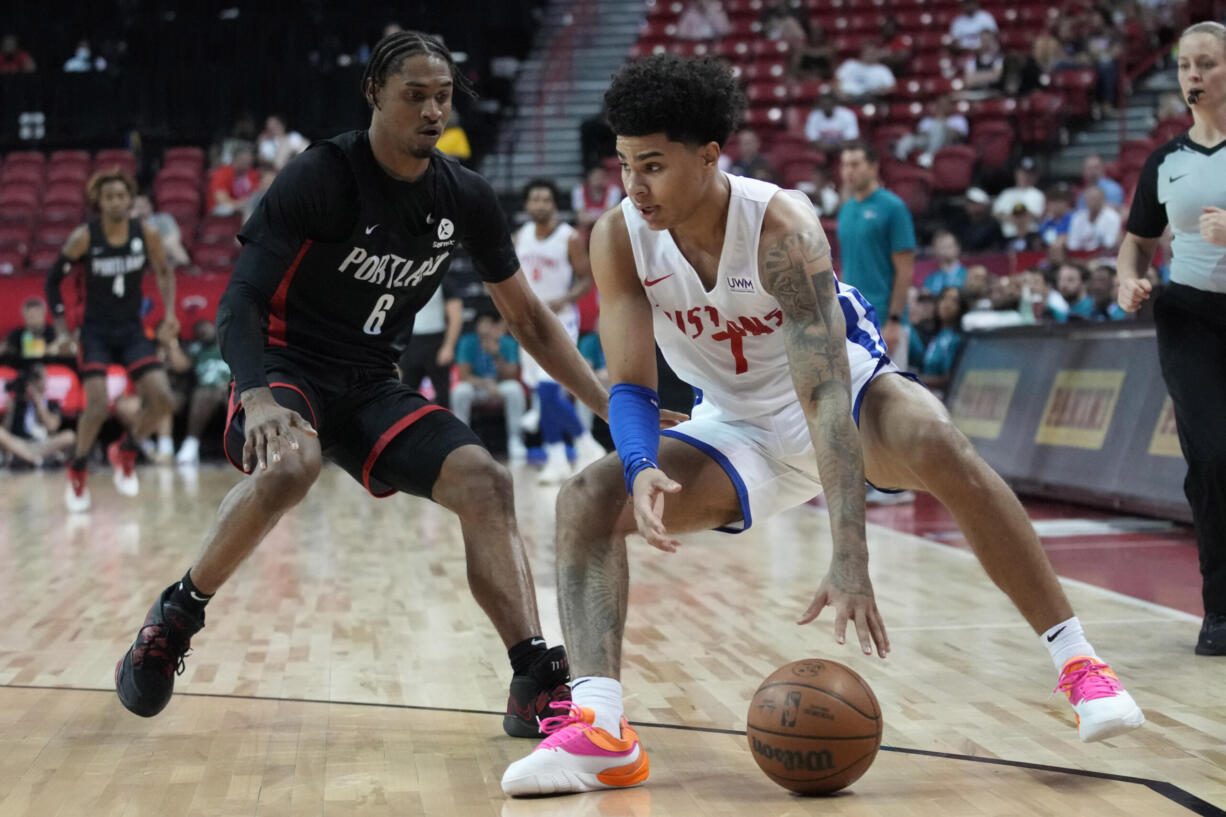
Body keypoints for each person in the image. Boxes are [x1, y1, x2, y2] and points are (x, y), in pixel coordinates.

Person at [501, 54, 1143, 797]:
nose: (633, 187)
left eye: (652, 165)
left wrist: (849, 553)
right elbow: (633, 387)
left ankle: (1080, 663)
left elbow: (827, 398)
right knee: (586, 499)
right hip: (735, 421)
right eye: (622, 165)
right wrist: (641, 463)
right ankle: (601, 730)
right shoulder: (618, 238)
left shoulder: (780, 225)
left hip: (847, 395)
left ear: (709, 157)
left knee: (939, 442)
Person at [110, 31, 658, 737]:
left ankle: (530, 676)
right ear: (374, 93)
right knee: (294, 463)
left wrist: (606, 401)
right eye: (415, 95)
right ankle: (176, 616)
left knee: (486, 480)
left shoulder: (464, 195)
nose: (434, 111)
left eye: (444, 96)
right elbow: (239, 298)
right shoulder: (323, 176)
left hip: (370, 381)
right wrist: (256, 395)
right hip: (284, 364)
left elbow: (526, 316)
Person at [1115, 21, 1226, 655]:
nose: (1192, 76)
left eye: (1206, 64)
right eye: (1185, 65)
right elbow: (1136, 244)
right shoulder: (1166, 161)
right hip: (1187, 317)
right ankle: (1220, 610)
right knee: (1211, 461)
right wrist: (1129, 281)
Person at [46, 169, 177, 512]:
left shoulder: (146, 234)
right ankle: (78, 468)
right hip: (95, 332)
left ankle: (127, 449)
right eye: (110, 197)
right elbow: (52, 281)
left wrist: (170, 315)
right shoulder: (84, 237)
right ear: (99, 202)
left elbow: (165, 272)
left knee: (163, 399)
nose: (117, 201)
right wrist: (62, 329)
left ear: (130, 199)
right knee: (99, 406)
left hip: (132, 330)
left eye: (122, 195)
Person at [515, 179, 606, 482]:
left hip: (561, 319)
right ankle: (556, 458)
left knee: (548, 388)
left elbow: (585, 281)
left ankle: (585, 443)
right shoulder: (521, 236)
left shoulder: (569, 238)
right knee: (543, 393)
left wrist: (563, 299)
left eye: (545, 199)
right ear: (527, 205)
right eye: (535, 199)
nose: (540, 204)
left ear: (554, 204)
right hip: (529, 320)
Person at [836, 141, 915, 365]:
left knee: (894, 396)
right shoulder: (846, 210)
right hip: (853, 322)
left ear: (873, 167)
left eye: (855, 164)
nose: (848, 171)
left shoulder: (893, 207)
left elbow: (905, 269)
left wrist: (895, 320)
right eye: (844, 165)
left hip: (885, 320)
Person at [451, 311, 527, 461]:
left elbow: (511, 375)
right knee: (459, 391)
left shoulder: (508, 342)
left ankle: (516, 440)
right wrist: (485, 383)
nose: (485, 329)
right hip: (477, 386)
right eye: (482, 324)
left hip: (500, 385)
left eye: (489, 324)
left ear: (495, 326)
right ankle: (460, 443)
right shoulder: (468, 341)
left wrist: (495, 353)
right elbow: (464, 375)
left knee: (515, 389)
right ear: (477, 327)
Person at [398, 278, 463, 409]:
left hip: (436, 342)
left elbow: (456, 317)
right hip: (412, 342)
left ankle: (445, 427)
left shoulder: (443, 282)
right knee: (405, 392)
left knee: (443, 395)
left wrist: (448, 347)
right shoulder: (406, 280)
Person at [175, 320, 232, 465]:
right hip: (206, 389)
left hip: (231, 386)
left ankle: (248, 441)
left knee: (237, 395)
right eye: (199, 330)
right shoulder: (195, 349)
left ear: (214, 327)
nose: (203, 332)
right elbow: (182, 367)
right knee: (204, 395)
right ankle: (191, 444)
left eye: (205, 328)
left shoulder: (229, 345)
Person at [2, 363, 75, 466]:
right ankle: (33, 459)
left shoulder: (51, 402)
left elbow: (52, 427)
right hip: (20, 444)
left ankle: (30, 459)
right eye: (44, 377)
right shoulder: (17, 400)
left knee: (69, 436)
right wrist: (10, 411)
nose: (46, 381)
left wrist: (38, 402)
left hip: (43, 445)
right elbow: (6, 429)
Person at [1, 296, 66, 358]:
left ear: (43, 314)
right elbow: (4, 348)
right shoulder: (17, 334)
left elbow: (66, 350)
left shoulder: (54, 333)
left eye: (37, 315)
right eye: (31, 316)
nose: (34, 319)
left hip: (50, 366)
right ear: (24, 316)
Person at [1067, 185, 1122, 252]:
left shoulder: (1113, 217)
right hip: (1081, 256)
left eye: (1095, 199)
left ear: (1103, 200)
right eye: (1089, 198)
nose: (1092, 202)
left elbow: (1110, 244)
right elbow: (1072, 244)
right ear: (1085, 200)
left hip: (1104, 257)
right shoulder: (1077, 217)